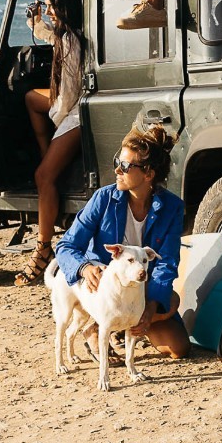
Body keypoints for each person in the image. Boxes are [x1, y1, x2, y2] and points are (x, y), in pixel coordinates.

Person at [54, 125, 190, 359]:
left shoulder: (172, 208)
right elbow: (66, 246)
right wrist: (85, 268)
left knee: (178, 345)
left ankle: (125, 326)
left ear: (148, 174)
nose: (117, 169)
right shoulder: (103, 199)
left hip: (138, 289)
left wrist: (150, 309)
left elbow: (167, 263)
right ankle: (96, 328)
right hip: (105, 288)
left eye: (126, 166)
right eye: (118, 161)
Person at [16, 0, 84, 286]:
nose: (50, 10)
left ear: (65, 6)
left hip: (77, 114)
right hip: (72, 107)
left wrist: (56, 122)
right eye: (47, 5)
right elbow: (52, 37)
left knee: (43, 177)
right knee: (31, 98)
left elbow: (67, 99)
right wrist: (37, 25)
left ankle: (43, 248)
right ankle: (48, 160)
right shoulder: (67, 33)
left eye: (53, 5)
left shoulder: (70, 40)